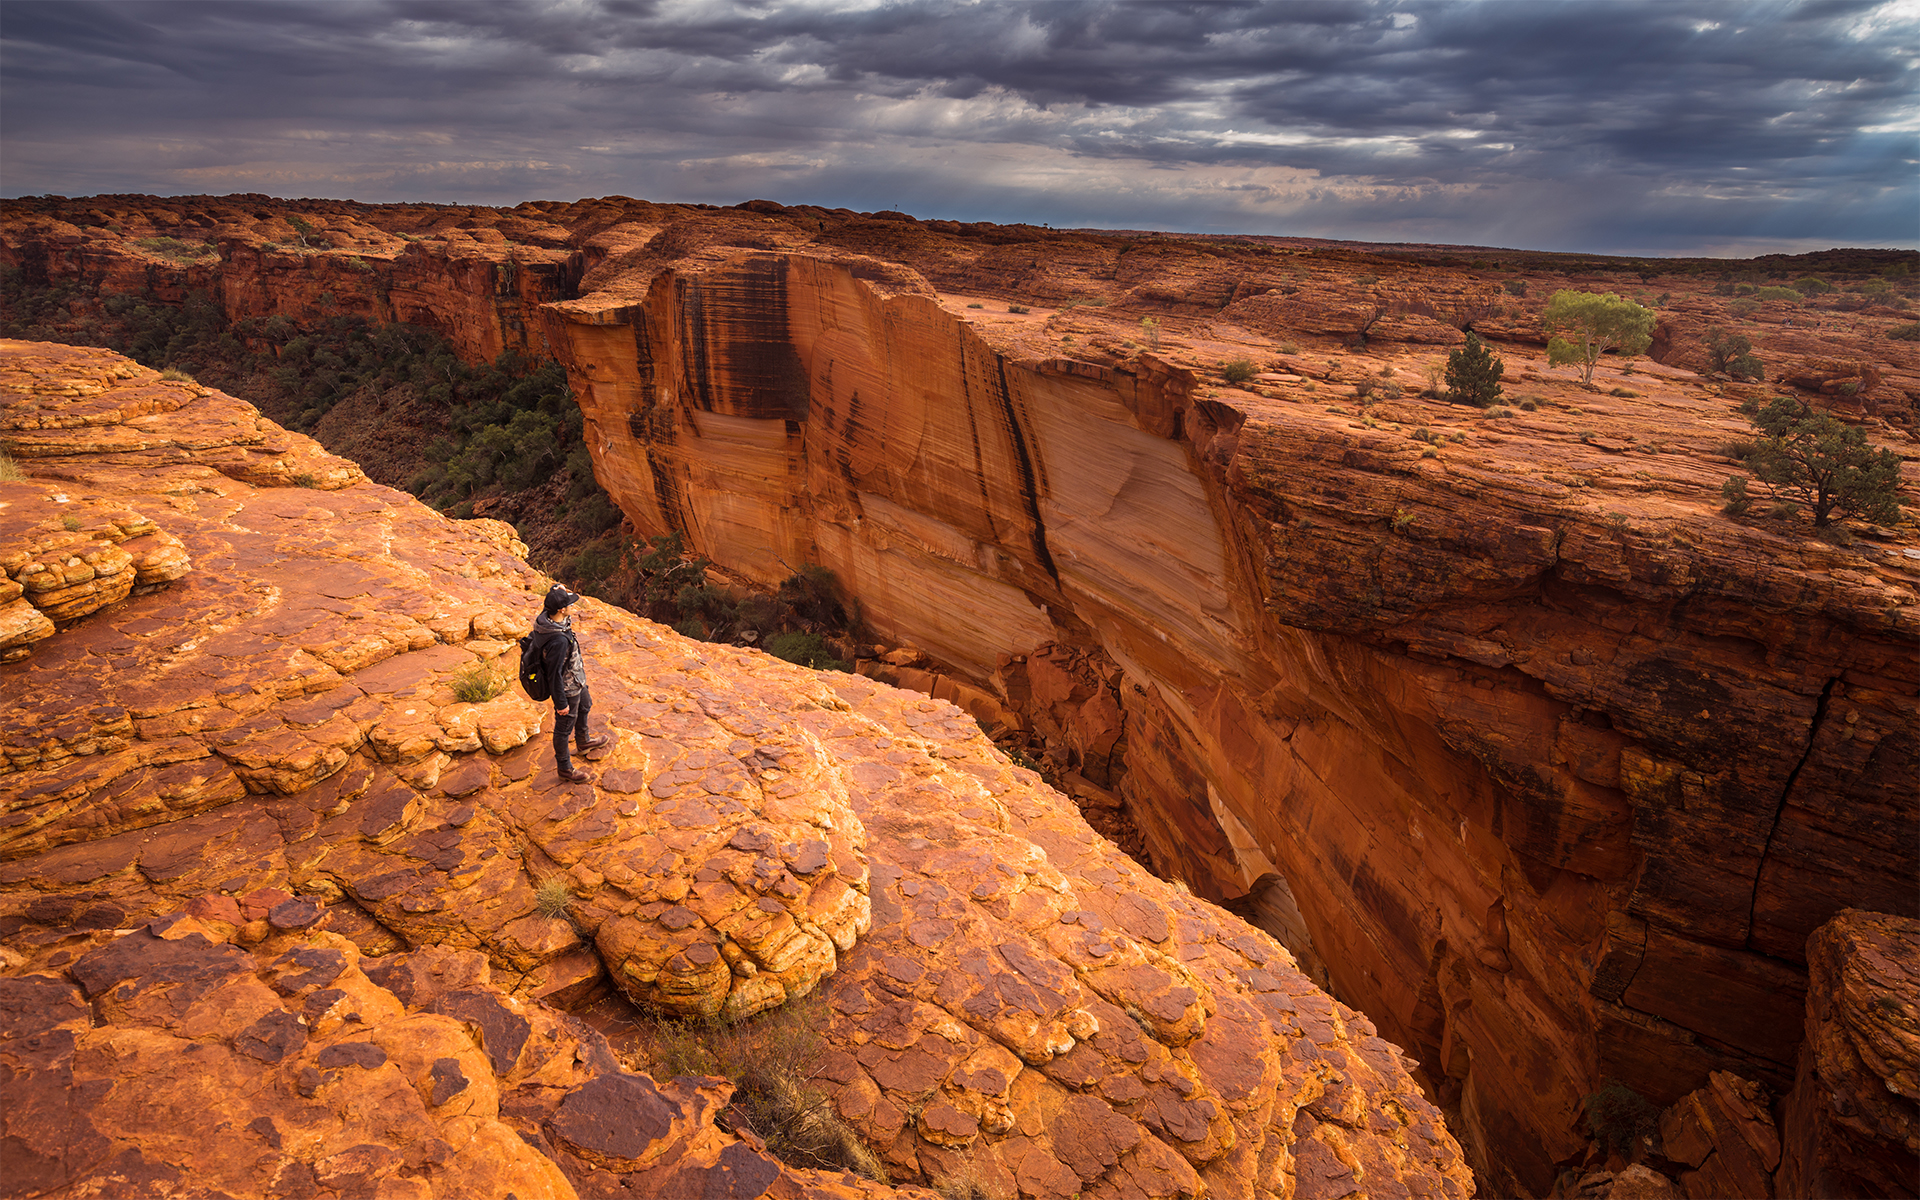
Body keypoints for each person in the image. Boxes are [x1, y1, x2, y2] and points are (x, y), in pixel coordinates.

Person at [529, 584, 609, 782]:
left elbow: (552, 605)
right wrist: (561, 703)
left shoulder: (547, 619)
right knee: (563, 728)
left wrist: (556, 590)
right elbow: (553, 674)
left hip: (577, 678)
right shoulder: (558, 641)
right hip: (568, 687)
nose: (572, 607)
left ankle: (583, 742)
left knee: (586, 705)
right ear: (562, 610)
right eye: (568, 604)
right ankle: (564, 768)